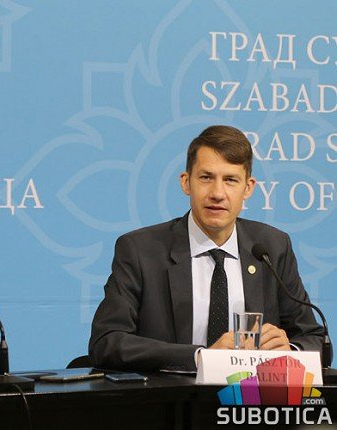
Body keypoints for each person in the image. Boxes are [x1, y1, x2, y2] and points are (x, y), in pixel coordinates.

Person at [89, 125, 323, 372]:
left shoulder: (272, 247)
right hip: (171, 393)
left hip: (251, 394)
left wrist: (289, 351)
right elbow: (107, 342)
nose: (217, 193)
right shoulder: (141, 250)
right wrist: (201, 357)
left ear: (248, 188)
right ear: (186, 182)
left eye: (230, 180)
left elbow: (315, 339)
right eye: (206, 178)